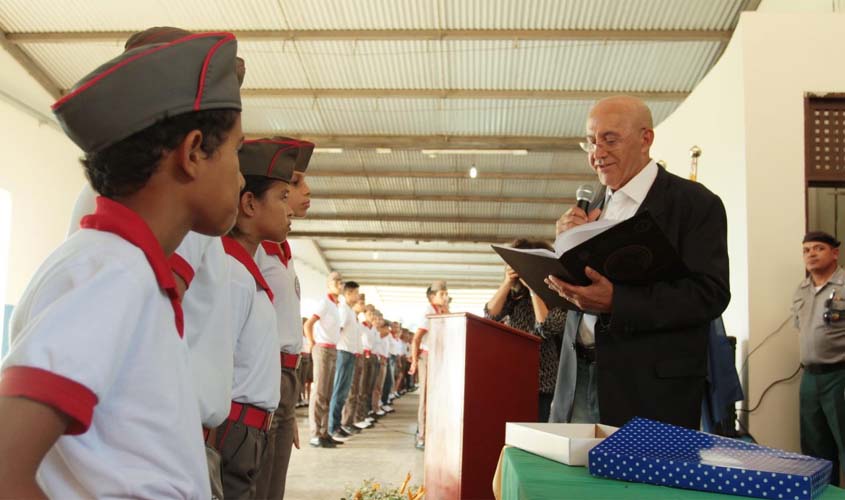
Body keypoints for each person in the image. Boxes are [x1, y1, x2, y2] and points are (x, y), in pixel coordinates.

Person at [0, 32, 244, 497]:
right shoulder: (113, 273)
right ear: (194, 153)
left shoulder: (127, 269)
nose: (240, 175)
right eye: (235, 151)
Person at [547, 95, 730, 429]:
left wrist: (619, 301)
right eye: (591, 141)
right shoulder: (593, 207)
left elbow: (711, 293)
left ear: (646, 138)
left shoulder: (693, 204)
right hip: (579, 377)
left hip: (650, 389)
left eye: (610, 139)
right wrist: (564, 251)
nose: (597, 153)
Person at [252, 137, 314, 500]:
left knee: (274, 484)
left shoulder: (283, 249)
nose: (306, 191)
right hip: (265, 373)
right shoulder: (254, 248)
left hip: (285, 376)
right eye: (295, 183)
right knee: (257, 483)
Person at [485, 238, 567, 423]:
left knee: (539, 434)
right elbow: (490, 315)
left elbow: (547, 326)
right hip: (512, 377)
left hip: (543, 382)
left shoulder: (555, 297)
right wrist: (507, 282)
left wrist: (533, 287)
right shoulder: (513, 297)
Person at [792, 230, 845, 486]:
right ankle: (826, 493)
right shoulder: (801, 291)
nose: (811, 253)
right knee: (814, 450)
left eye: (818, 248)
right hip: (810, 378)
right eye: (806, 250)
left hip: (840, 375)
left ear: (834, 253)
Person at [304, 271, 344, 448]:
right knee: (319, 392)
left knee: (327, 392)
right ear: (328, 285)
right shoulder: (325, 303)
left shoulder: (336, 305)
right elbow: (308, 324)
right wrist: (312, 342)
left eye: (341, 282)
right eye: (336, 282)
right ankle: (315, 433)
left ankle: (324, 432)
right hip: (322, 349)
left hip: (333, 350)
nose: (340, 285)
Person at [410, 280, 449, 450]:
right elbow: (416, 338)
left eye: (446, 293)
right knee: (426, 399)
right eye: (442, 294)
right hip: (427, 357)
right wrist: (414, 361)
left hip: (439, 358)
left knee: (436, 398)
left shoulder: (441, 311)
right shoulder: (428, 312)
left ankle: (430, 433)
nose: (446, 296)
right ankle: (422, 436)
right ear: (432, 297)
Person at [329, 281, 363, 441]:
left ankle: (338, 424)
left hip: (350, 353)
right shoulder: (343, 310)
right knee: (339, 390)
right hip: (343, 352)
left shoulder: (350, 311)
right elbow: (338, 330)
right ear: (348, 293)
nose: (358, 296)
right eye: (356, 293)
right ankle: (332, 427)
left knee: (344, 391)